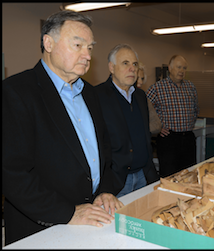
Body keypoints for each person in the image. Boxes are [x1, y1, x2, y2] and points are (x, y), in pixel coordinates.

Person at [2, 10, 124, 245]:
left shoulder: (90, 92)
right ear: (48, 43)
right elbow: (13, 174)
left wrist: (105, 190)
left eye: (90, 48)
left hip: (94, 220)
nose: (87, 55)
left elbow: (103, 150)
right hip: (42, 229)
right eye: (77, 45)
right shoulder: (15, 92)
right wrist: (68, 212)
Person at [95, 44, 159, 198]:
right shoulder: (97, 96)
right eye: (125, 63)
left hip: (144, 176)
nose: (132, 69)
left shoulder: (140, 96)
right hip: (117, 181)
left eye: (135, 64)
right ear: (111, 67)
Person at [147, 55, 199, 178]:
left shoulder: (190, 87)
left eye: (184, 68)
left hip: (188, 139)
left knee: (189, 175)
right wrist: (156, 128)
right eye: (178, 67)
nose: (181, 71)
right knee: (169, 176)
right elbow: (144, 109)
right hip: (168, 139)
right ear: (170, 68)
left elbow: (196, 109)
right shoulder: (157, 88)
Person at [136, 64, 162, 135]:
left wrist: (136, 129)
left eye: (142, 78)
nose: (141, 82)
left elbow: (157, 125)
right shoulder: (119, 99)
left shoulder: (144, 99)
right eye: (137, 78)